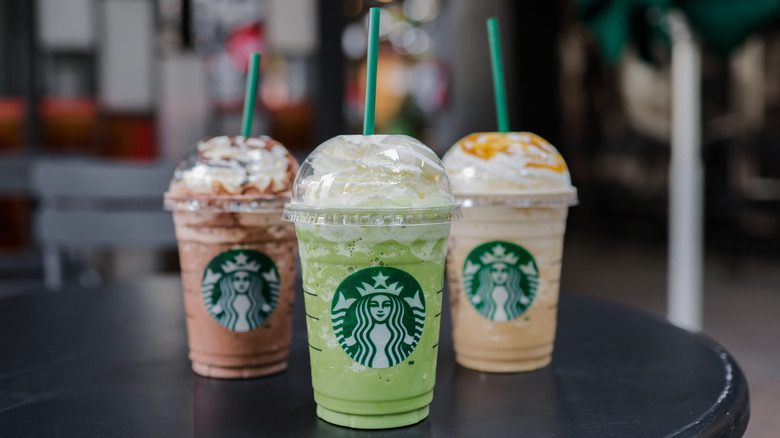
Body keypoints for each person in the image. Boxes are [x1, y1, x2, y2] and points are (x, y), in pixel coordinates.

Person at [343, 293, 416, 368]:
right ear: (366, 308)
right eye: (374, 305)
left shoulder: (400, 331)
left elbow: (412, 342)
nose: (380, 309)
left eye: (386, 305)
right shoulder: (359, 332)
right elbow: (347, 343)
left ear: (394, 308)